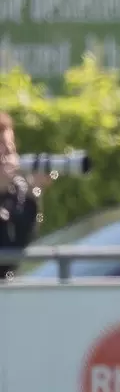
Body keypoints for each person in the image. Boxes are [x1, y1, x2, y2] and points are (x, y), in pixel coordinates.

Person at [0, 112, 44, 280]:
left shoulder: (16, 188)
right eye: (2, 145)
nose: (9, 152)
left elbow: (18, 248)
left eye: (10, 145)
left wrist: (33, 195)